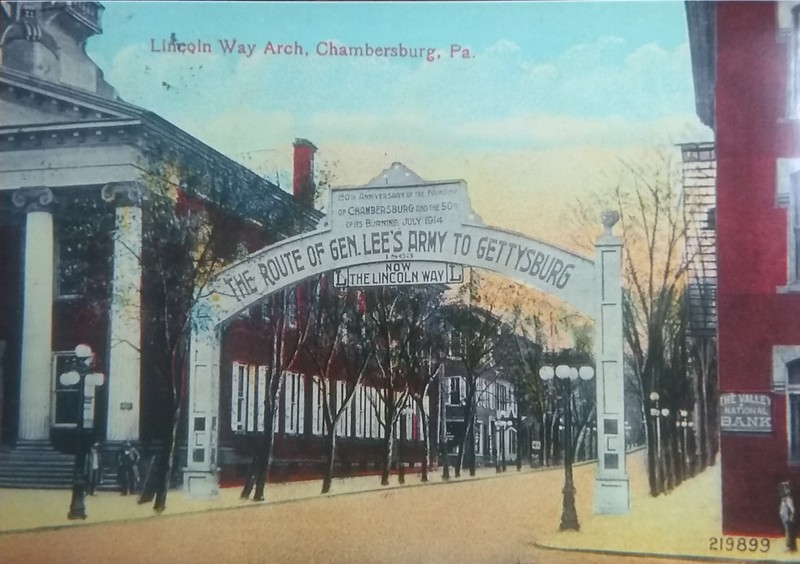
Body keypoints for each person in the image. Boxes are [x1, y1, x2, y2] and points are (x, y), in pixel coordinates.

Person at [779, 480, 797, 552]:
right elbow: (781, 511)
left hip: (788, 520)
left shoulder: (788, 499)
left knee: (789, 533)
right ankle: (789, 547)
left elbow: (792, 510)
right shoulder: (784, 500)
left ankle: (790, 547)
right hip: (786, 520)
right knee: (788, 533)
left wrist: (791, 518)